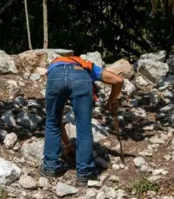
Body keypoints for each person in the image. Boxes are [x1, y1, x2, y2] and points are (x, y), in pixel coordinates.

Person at [40, 55, 123, 187]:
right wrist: (112, 100)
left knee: (52, 122)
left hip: (55, 77)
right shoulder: (87, 65)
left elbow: (58, 121)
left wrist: (67, 145)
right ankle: (85, 173)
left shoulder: (54, 66)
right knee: (84, 128)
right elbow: (118, 80)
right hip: (80, 78)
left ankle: (50, 168)